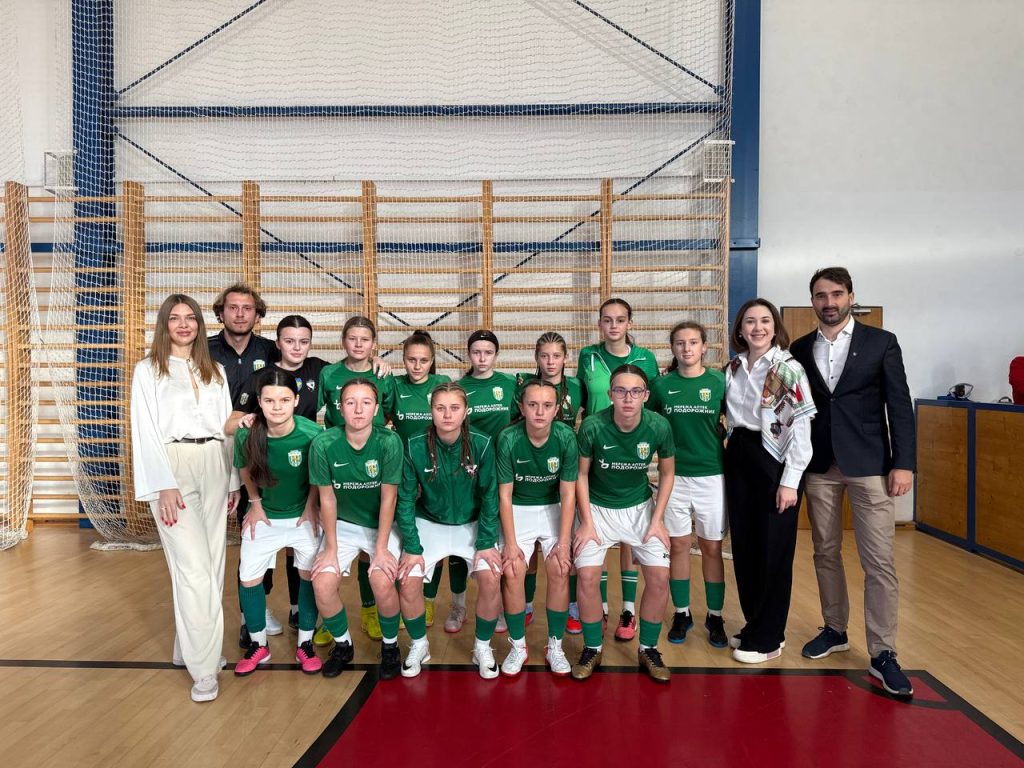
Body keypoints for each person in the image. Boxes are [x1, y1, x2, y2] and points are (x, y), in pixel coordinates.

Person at [790, 267, 916, 697]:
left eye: (836, 294)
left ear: (851, 297)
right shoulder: (799, 348)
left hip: (870, 465)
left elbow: (899, 406)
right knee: (824, 551)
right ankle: (834, 628)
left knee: (878, 560)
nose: (829, 302)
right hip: (820, 465)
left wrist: (904, 464)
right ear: (812, 301)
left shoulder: (882, 342)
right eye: (821, 295)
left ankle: (883, 652)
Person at [130, 293, 240, 703]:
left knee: (211, 564)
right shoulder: (148, 371)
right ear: (164, 324)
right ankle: (204, 668)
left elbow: (225, 425)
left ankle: (189, 646)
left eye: (190, 317)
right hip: (172, 466)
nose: (183, 324)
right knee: (193, 568)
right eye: (174, 318)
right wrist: (163, 483)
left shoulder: (215, 370)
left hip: (214, 462)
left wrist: (233, 480)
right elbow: (144, 430)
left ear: (199, 324)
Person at [724, 299, 816, 664]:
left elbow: (801, 428)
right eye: (750, 321)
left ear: (775, 327)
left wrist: (790, 481)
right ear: (740, 329)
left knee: (773, 549)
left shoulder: (787, 369)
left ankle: (770, 636)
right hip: (739, 454)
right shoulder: (733, 367)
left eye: (765, 321)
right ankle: (754, 623)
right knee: (746, 546)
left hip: (774, 459)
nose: (757, 327)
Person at [571, 364, 676, 683]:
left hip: (640, 508)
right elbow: (580, 474)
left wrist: (658, 520)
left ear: (646, 395)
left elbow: (668, 472)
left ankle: (648, 648)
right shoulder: (592, 426)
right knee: (587, 577)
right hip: (597, 509)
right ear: (610, 394)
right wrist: (586, 522)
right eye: (620, 390)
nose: (628, 398)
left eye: (635, 391)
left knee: (660, 577)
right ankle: (592, 648)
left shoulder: (658, 425)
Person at [226, 315, 329, 632]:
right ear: (278, 343)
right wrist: (243, 422)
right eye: (289, 340)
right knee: (258, 547)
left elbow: (355, 376)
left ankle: (299, 611)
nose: (296, 347)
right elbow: (231, 424)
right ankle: (252, 619)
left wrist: (376, 362)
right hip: (264, 471)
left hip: (302, 474)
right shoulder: (261, 377)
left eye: (303, 341)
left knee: (301, 553)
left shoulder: (320, 371)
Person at [394, 382, 504, 679]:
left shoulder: (482, 443)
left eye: (454, 408)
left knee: (491, 578)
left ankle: (482, 647)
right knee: (408, 580)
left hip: (472, 523)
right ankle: (419, 645)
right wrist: (412, 546)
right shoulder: (414, 444)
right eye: (440, 408)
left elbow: (490, 495)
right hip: (430, 521)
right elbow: (405, 499)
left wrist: (486, 541)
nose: (447, 415)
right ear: (431, 411)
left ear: (465, 411)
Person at [309, 378, 407, 680]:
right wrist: (331, 549)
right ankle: (343, 645)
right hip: (343, 525)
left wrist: (381, 548)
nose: (358, 409)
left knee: (381, 579)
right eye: (350, 402)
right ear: (340, 408)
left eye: (366, 403)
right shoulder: (324, 443)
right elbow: (327, 498)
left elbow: (389, 497)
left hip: (382, 525)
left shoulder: (389, 441)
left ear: (376, 409)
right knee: (322, 583)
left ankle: (390, 646)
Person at [576, 299, 661, 640]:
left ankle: (628, 609)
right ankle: (601, 607)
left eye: (620, 320)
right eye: (607, 320)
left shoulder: (646, 359)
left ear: (630, 323)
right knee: (598, 533)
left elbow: (654, 404)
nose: (613, 326)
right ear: (599, 324)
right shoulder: (587, 356)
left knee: (628, 538)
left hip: (629, 450)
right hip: (597, 445)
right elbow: (582, 400)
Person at [207, 283, 285, 643]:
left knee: (256, 532)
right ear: (220, 312)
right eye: (233, 307)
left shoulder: (271, 351)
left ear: (258, 314)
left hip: (253, 455)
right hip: (210, 450)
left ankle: (251, 612)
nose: (240, 314)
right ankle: (201, 612)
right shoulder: (202, 349)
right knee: (207, 539)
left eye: (247, 308)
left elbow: (309, 370)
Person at [232, 370, 323, 677]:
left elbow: (318, 476)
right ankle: (259, 645)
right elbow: (244, 470)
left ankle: (305, 643)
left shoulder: (312, 433)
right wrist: (255, 504)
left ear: (296, 401)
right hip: (264, 515)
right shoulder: (247, 433)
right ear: (259, 402)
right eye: (269, 400)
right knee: (248, 578)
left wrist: (311, 508)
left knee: (308, 575)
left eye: (284, 400)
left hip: (302, 516)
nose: (277, 407)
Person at [648, 321, 729, 648]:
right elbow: (647, 424)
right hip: (674, 478)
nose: (687, 348)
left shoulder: (720, 382)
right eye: (680, 343)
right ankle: (682, 612)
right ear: (673, 348)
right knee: (679, 545)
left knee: (712, 547)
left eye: (693, 342)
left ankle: (715, 615)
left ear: (704, 347)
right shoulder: (661, 386)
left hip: (712, 476)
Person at [317, 315, 395, 642]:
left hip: (371, 457)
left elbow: (390, 415)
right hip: (338, 459)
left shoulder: (383, 374)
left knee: (370, 552)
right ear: (343, 341)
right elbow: (310, 412)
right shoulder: (329, 374)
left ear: (374, 344)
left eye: (365, 339)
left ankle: (369, 609)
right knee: (326, 560)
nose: (359, 344)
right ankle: (328, 621)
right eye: (352, 338)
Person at [497, 379, 579, 676]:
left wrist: (564, 541)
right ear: (522, 407)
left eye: (546, 405)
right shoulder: (508, 438)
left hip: (553, 507)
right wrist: (510, 543)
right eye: (532, 405)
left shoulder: (566, 437)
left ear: (557, 409)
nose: (539, 412)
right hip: (518, 507)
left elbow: (568, 493)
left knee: (560, 566)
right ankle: (518, 646)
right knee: (513, 569)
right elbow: (504, 496)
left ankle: (554, 645)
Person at [511, 332, 586, 627]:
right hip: (533, 467)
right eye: (544, 356)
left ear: (566, 358)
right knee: (529, 554)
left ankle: (572, 605)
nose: (550, 362)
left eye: (556, 356)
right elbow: (515, 424)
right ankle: (526, 604)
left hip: (565, 465)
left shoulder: (577, 386)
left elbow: (590, 418)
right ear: (536, 358)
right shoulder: (524, 386)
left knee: (566, 549)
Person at [448, 329, 516, 634]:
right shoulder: (459, 388)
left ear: (496, 355)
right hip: (465, 470)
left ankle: (495, 605)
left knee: (494, 538)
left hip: (500, 469)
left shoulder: (509, 384)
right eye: (476, 352)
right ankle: (458, 604)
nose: (482, 358)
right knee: (458, 539)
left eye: (488, 352)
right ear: (469, 354)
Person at [387, 330, 451, 627]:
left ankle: (427, 599)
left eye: (423, 360)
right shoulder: (394, 384)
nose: (417, 366)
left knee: (432, 538)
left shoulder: (442, 383)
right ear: (403, 359)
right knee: (403, 535)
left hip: (436, 472)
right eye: (411, 359)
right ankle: (402, 597)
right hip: (402, 472)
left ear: (432, 360)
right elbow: (379, 418)